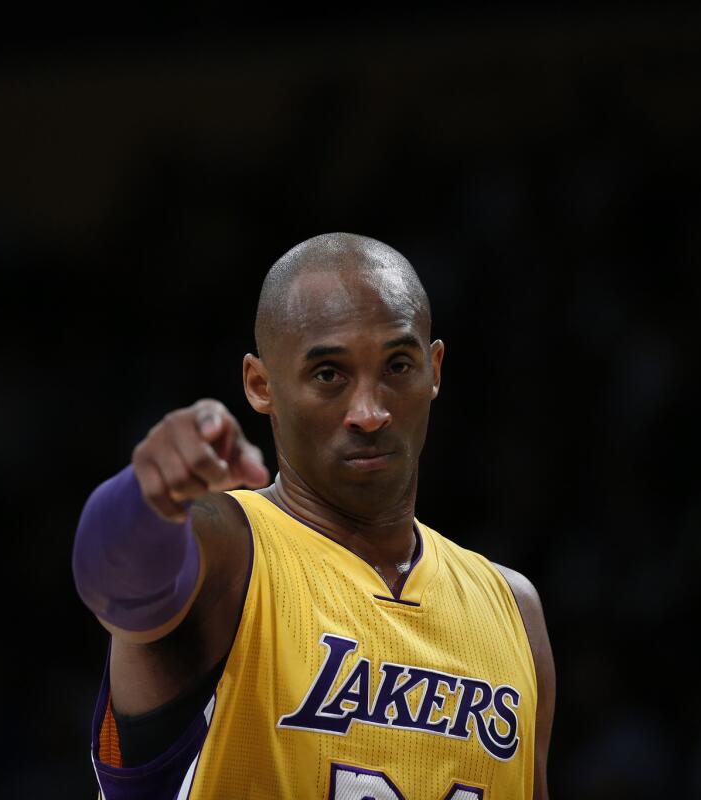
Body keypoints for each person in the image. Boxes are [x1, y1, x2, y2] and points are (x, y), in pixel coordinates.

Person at [72, 232, 555, 799]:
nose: (370, 412)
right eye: (330, 375)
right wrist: (144, 493)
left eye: (398, 366)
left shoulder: (513, 610)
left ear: (435, 369)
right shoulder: (229, 549)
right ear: (260, 385)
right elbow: (115, 582)